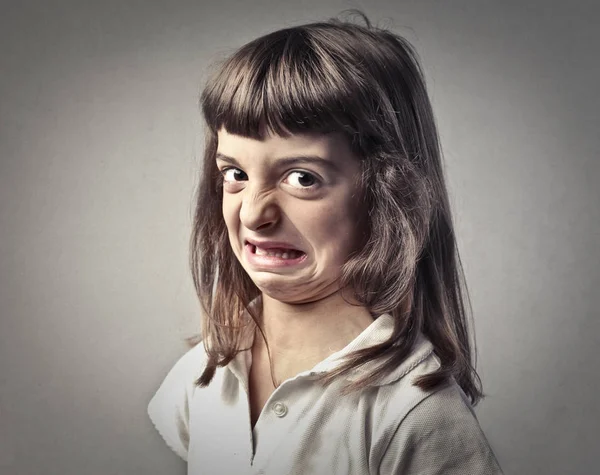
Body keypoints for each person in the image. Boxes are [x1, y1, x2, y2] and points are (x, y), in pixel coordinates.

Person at [148, 10, 504, 475]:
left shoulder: (413, 413)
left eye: (302, 178)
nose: (255, 213)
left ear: (387, 193)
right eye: (235, 174)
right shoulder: (204, 373)